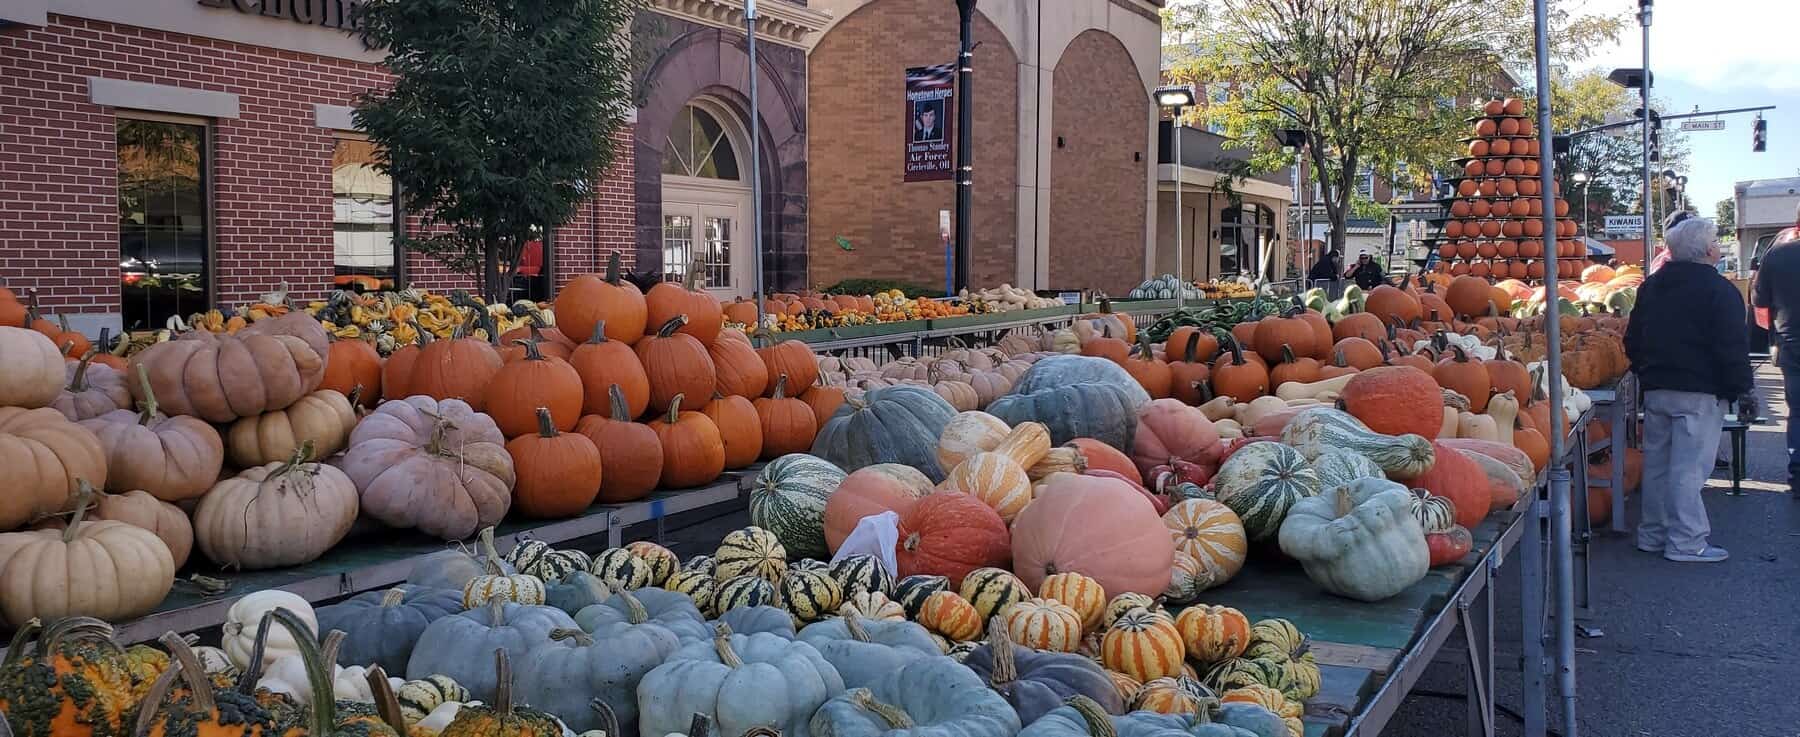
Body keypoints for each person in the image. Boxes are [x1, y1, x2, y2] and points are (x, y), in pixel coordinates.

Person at [1624, 211, 1753, 562]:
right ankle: (1687, 541)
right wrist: (1742, 388)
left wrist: (1644, 371)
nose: (1718, 249)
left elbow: (1632, 337)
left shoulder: (1651, 286)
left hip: (1657, 387)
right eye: (1714, 243)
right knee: (1688, 469)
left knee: (1658, 465)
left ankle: (1652, 533)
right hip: (1699, 390)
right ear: (1706, 251)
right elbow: (1731, 346)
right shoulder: (1719, 290)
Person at [1752, 204, 1800, 493]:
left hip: (1792, 343)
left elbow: (1759, 300)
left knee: (1797, 412)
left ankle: (1797, 475)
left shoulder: (1778, 253)